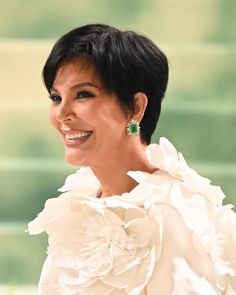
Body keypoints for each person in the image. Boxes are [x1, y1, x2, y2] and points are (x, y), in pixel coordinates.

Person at [28, 24, 236, 295]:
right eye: (56, 97)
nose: (62, 113)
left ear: (135, 107)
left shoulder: (171, 214)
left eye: (83, 94)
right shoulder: (81, 202)